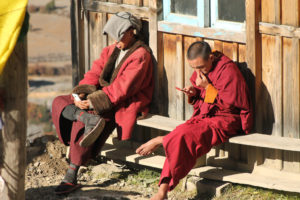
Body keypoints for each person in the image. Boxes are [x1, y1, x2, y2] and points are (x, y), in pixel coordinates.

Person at [51, 12, 154, 195]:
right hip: (99, 97)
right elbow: (94, 72)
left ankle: (71, 174)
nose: (117, 41)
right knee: (59, 102)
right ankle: (84, 117)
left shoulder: (140, 55)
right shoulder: (111, 50)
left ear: (131, 32)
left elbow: (122, 89)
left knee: (82, 123)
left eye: (120, 36)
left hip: (119, 103)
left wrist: (91, 103)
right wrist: (81, 95)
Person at [136, 41, 253, 200]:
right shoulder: (204, 70)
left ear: (211, 57)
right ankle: (162, 191)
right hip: (206, 117)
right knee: (180, 135)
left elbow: (230, 105)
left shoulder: (228, 71)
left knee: (181, 136)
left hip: (227, 120)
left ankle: (162, 142)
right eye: (194, 69)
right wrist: (193, 93)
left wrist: (207, 88)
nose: (198, 72)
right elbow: (202, 101)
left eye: (201, 67)